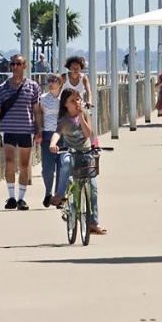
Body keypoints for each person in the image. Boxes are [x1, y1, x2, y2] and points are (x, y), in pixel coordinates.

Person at [0, 53, 44, 210]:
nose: (15, 67)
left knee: (24, 165)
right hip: (8, 129)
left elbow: (37, 110)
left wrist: (39, 129)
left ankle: (21, 198)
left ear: (25, 66)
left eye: (18, 64)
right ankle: (11, 197)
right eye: (13, 64)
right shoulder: (2, 88)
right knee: (9, 163)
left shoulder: (33, 86)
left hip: (26, 129)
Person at [51, 87, 107, 235]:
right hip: (70, 151)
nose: (76, 102)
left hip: (86, 152)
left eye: (78, 99)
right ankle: (60, 194)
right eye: (72, 100)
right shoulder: (63, 120)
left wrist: (82, 116)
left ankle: (93, 223)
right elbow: (57, 133)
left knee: (93, 189)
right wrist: (53, 144)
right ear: (65, 104)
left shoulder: (85, 114)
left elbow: (89, 134)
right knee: (66, 163)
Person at [38, 74, 64, 207]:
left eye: (54, 81)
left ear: (60, 83)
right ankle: (48, 192)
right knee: (47, 169)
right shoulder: (42, 98)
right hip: (47, 135)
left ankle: (59, 196)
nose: (51, 83)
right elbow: (39, 115)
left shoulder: (65, 98)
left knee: (62, 167)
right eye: (49, 81)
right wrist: (39, 131)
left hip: (63, 136)